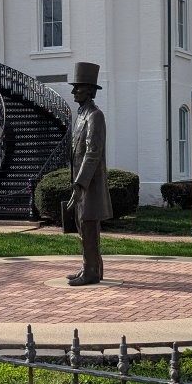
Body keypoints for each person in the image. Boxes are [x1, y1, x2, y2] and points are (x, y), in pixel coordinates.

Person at [66, 61, 112, 286]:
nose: (74, 91)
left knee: (88, 225)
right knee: (82, 225)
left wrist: (80, 183)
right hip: (82, 182)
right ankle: (91, 266)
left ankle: (91, 271)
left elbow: (93, 153)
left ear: (90, 91)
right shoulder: (82, 115)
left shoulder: (95, 116)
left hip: (90, 184)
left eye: (79, 87)